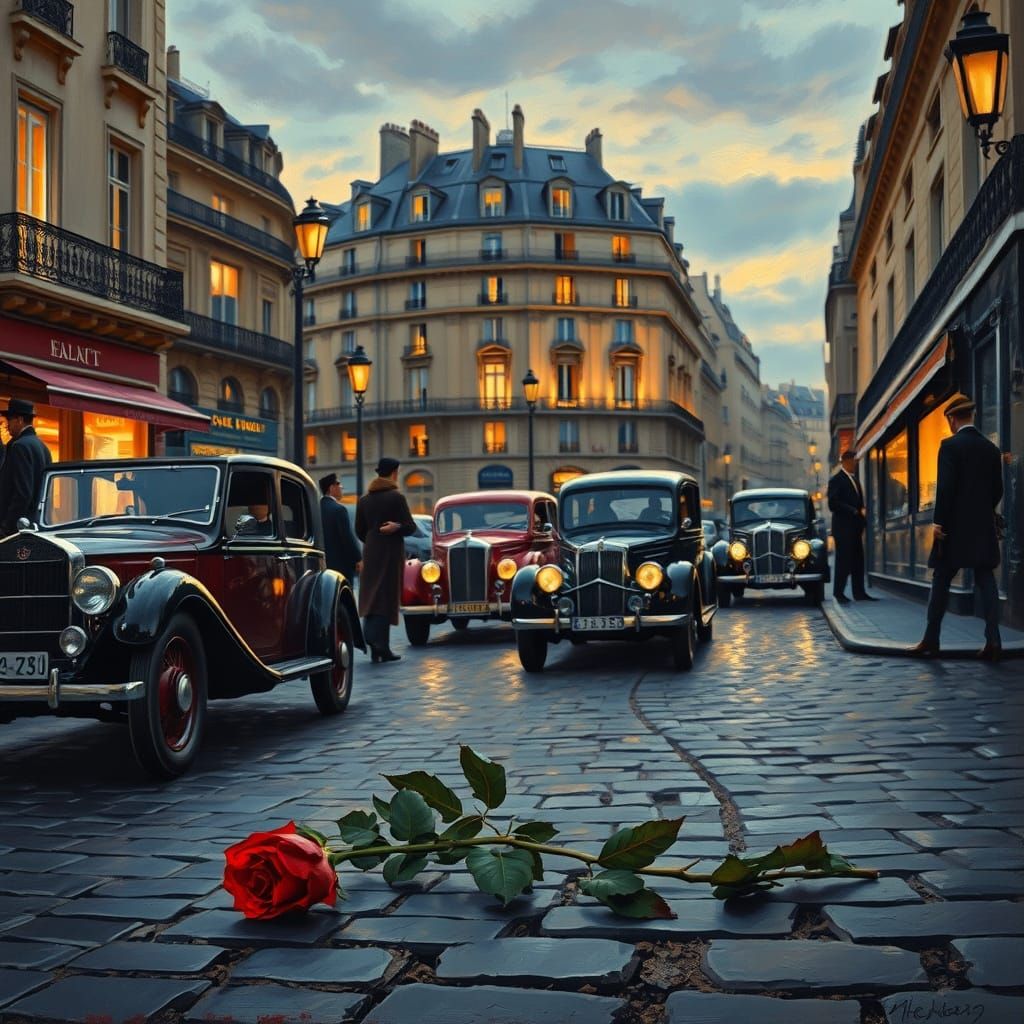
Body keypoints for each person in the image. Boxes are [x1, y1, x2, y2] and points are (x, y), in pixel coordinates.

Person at [911, 393, 1004, 661]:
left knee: (941, 579)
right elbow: (997, 490)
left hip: (953, 528)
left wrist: (939, 521)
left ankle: (931, 640)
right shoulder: (991, 449)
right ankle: (994, 641)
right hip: (982, 526)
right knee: (986, 580)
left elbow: (946, 487)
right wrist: (981, 511)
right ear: (972, 416)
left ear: (952, 419)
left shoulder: (949, 446)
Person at [355, 457, 416, 664]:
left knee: (372, 594)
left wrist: (373, 539)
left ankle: (378, 648)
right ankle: (380, 644)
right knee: (386, 596)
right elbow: (410, 526)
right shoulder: (396, 498)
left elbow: (359, 530)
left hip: (371, 551)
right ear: (394, 472)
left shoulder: (364, 500)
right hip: (390, 552)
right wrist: (396, 527)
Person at [827, 448, 874, 603]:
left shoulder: (854, 479)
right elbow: (832, 503)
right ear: (847, 461)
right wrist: (852, 510)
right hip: (843, 529)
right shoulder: (836, 480)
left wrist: (861, 517)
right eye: (855, 461)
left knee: (858, 562)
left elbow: (858, 503)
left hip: (855, 528)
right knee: (843, 561)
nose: (856, 464)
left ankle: (859, 593)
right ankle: (838, 593)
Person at [0, 398, 52, 535]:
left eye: (9, 420)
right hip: (37, 524)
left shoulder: (20, 446)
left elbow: (22, 493)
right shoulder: (43, 447)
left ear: (20, 420)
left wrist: (6, 526)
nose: (7, 426)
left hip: (17, 530)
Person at [319, 472, 361, 581]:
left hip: (321, 564)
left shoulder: (315, 508)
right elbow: (347, 537)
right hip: (341, 566)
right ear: (331, 487)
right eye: (339, 484)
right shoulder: (339, 509)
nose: (342, 488)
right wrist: (358, 559)